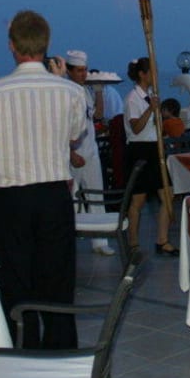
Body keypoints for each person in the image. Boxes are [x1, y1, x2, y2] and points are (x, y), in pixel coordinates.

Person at [0, 10, 86, 348]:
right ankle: (60, 350)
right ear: (46, 44)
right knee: (58, 279)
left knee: (17, 279)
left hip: (11, 199)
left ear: (12, 46)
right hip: (53, 196)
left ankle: (23, 348)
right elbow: (75, 135)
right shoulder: (70, 92)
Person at [123, 57, 178, 256]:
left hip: (155, 149)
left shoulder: (150, 96)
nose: (156, 76)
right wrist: (150, 109)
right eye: (152, 72)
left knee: (167, 194)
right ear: (142, 74)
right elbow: (136, 128)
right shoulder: (133, 98)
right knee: (138, 200)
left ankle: (162, 240)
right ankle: (133, 244)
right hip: (139, 150)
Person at [66, 49, 114, 256]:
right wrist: (70, 154)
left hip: (91, 152)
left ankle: (100, 241)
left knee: (96, 196)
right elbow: (60, 127)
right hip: (72, 154)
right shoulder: (66, 93)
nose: (83, 74)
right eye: (79, 70)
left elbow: (97, 115)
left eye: (85, 70)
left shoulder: (85, 91)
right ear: (69, 71)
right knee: (70, 200)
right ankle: (66, 242)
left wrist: (99, 91)